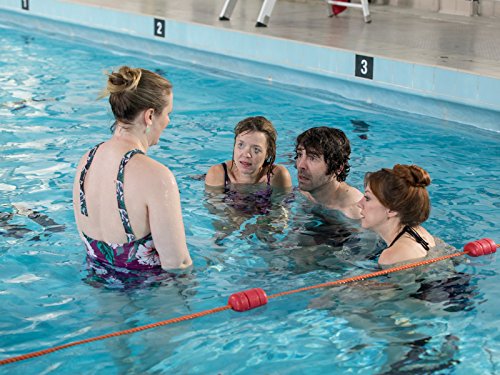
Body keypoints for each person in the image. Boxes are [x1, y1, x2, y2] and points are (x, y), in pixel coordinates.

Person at [72, 66, 192, 274]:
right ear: (150, 116)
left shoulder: (86, 162)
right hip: (147, 300)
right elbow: (177, 264)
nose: (168, 121)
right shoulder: (156, 176)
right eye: (168, 113)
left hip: (97, 289)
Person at [357, 164, 436, 265]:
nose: (359, 203)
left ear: (392, 210)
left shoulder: (391, 257)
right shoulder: (420, 232)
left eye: (367, 198)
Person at [205, 116, 292, 189]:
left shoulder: (276, 176)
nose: (246, 154)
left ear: (267, 154)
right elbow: (216, 209)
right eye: (241, 145)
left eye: (256, 150)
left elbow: (281, 207)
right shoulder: (218, 174)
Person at [295, 127, 362, 219]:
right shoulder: (304, 190)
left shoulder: (356, 211)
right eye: (299, 155)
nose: (300, 165)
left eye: (313, 157)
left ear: (338, 168)